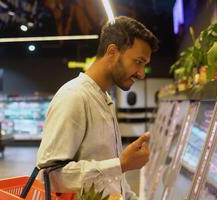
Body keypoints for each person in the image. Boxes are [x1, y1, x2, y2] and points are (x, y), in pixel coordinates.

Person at [36, 16, 159, 199]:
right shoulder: (74, 96)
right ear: (112, 52)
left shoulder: (105, 99)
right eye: (138, 61)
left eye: (144, 65)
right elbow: (49, 175)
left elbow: (111, 179)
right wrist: (121, 164)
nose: (141, 73)